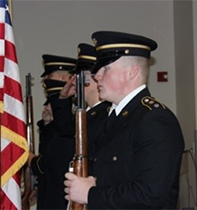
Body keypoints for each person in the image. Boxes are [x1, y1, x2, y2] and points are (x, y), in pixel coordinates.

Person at [64, 31, 185, 209]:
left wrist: (90, 194)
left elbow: (150, 195)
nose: (97, 75)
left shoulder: (156, 120)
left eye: (106, 69)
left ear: (132, 72)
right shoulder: (113, 117)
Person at [28, 54, 76, 209]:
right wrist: (38, 186)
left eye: (49, 75)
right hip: (51, 194)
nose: (44, 80)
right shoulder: (56, 110)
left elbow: (56, 163)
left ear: (63, 78)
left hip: (61, 199)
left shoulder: (70, 113)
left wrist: (31, 161)